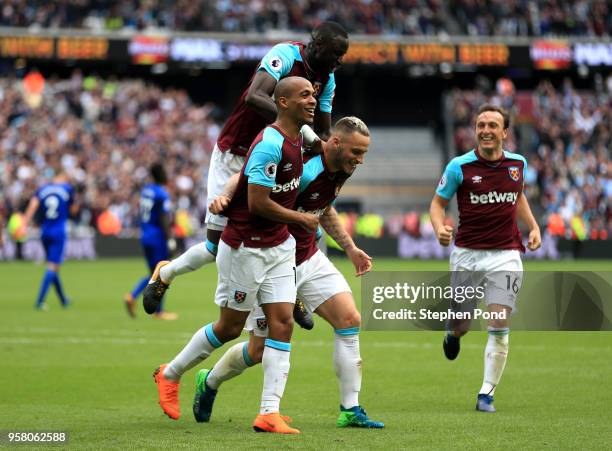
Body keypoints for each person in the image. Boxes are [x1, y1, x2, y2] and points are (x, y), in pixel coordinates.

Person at [143, 21, 349, 328]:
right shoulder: (286, 55)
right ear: (317, 45)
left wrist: (335, 152)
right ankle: (165, 273)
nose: (339, 60)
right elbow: (255, 96)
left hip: (280, 158)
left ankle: (290, 291)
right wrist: (299, 130)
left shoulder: (327, 79)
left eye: (343, 55)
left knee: (293, 223)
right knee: (215, 246)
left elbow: (322, 129)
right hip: (236, 153)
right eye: (336, 53)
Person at [192, 116, 384, 429]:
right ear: (336, 143)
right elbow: (248, 183)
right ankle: (209, 382)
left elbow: (324, 207)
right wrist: (224, 196)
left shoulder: (342, 167)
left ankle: (350, 409)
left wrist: (349, 248)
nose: (360, 160)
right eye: (356, 152)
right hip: (272, 264)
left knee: (349, 319)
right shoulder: (305, 166)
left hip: (308, 257)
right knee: (256, 351)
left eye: (364, 153)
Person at [153, 77, 319, 434]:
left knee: (283, 323)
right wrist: (301, 218)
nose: (313, 99)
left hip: (278, 246)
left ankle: (268, 412)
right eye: (305, 94)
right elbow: (258, 202)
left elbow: (243, 181)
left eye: (314, 94)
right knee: (229, 328)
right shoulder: (270, 143)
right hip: (245, 247)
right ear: (284, 102)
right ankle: (170, 374)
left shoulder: (298, 140)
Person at [429, 104, 541, 413]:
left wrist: (533, 226)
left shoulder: (518, 164)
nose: (486, 130)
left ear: (505, 132)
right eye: (481, 125)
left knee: (499, 321)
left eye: (493, 125)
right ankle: (453, 334)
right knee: (462, 324)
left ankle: (486, 393)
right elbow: (437, 205)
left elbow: (517, 196)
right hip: (467, 255)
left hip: (506, 254)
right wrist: (440, 228)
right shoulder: (459, 167)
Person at [125, 163, 177, 320]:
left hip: (145, 235)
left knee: (153, 273)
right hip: (157, 237)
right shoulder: (162, 193)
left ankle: (135, 298)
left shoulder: (146, 190)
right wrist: (170, 239)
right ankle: (157, 310)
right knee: (163, 271)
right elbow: (163, 218)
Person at [22, 171, 77, 310]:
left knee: (53, 266)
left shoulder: (43, 189)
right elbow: (74, 209)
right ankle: (40, 301)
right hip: (58, 232)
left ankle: (63, 300)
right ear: (63, 177)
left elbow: (32, 206)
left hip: (44, 231)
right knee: (52, 267)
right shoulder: (67, 188)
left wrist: (24, 223)